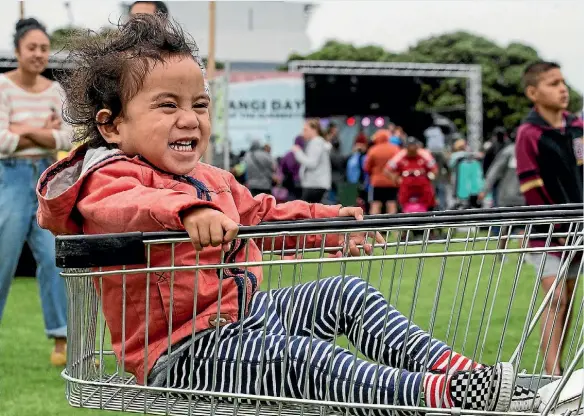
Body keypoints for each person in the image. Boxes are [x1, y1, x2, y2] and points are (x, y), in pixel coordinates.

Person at [37, 15, 537, 413]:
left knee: (348, 291)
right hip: (182, 353)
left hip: (246, 319)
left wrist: (326, 226)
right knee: (305, 360)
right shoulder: (105, 178)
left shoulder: (213, 178)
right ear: (112, 125)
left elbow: (264, 214)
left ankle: (465, 376)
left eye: (200, 104)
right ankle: (440, 398)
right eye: (166, 105)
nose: (189, 118)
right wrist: (185, 210)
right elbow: (126, 208)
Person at [0, 18, 72, 366]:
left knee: (54, 258)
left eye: (44, 48)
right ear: (17, 50)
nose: (39, 54)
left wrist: (20, 128)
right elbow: (1, 141)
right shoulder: (2, 86)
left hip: (47, 177)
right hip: (9, 179)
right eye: (32, 47)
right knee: (2, 262)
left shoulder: (55, 91)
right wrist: (38, 130)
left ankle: (61, 339)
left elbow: (66, 139)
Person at [515, 61, 583, 376]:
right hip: (546, 232)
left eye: (562, 82)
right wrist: (557, 231)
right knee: (554, 296)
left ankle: (559, 366)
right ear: (533, 92)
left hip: (577, 228)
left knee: (566, 299)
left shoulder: (577, 128)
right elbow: (531, 187)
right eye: (553, 83)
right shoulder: (528, 134)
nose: (562, 88)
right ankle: (553, 373)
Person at [478, 132, 525, 251]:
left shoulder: (509, 151)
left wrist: (485, 190)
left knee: (511, 225)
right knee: (521, 225)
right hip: (519, 194)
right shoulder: (525, 150)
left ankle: (506, 252)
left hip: (509, 194)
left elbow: (495, 170)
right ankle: (521, 254)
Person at [385, 137, 438, 213]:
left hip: (422, 183)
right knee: (402, 200)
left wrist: (430, 177)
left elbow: (434, 169)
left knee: (429, 198)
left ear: (417, 147)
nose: (412, 148)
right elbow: (387, 170)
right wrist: (396, 179)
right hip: (406, 184)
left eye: (414, 146)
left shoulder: (424, 154)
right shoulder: (400, 155)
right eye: (410, 146)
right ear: (406, 147)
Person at [293, 119, 332, 203]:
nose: (303, 133)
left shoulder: (316, 142)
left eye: (305, 129)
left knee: (305, 212)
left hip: (315, 185)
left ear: (314, 130)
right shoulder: (317, 142)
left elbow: (311, 163)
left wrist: (298, 152)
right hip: (315, 184)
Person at [364, 129, 400, 214]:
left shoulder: (373, 150)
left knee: (376, 204)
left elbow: (367, 168)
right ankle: (393, 225)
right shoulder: (395, 149)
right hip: (392, 181)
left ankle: (374, 225)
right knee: (391, 204)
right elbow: (399, 165)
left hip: (377, 182)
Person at [449, 139, 485, 209]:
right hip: (472, 187)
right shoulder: (471, 157)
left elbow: (450, 165)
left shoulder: (455, 157)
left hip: (459, 184)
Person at [279, 136, 304, 201]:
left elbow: (283, 167)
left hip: (291, 181)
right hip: (304, 182)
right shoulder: (305, 154)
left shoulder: (289, 154)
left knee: (291, 200)